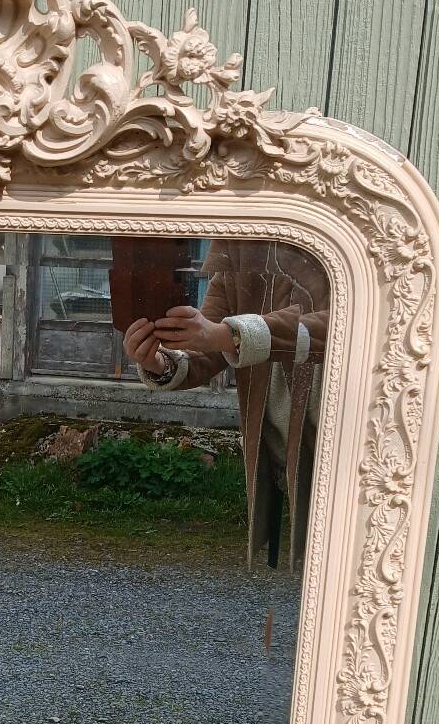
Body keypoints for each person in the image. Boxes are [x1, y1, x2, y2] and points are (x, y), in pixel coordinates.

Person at [124, 239, 329, 570]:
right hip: (284, 453)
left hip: (347, 448)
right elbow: (206, 344)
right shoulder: (241, 242)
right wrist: (159, 361)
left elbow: (344, 325)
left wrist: (224, 335)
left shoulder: (341, 222)